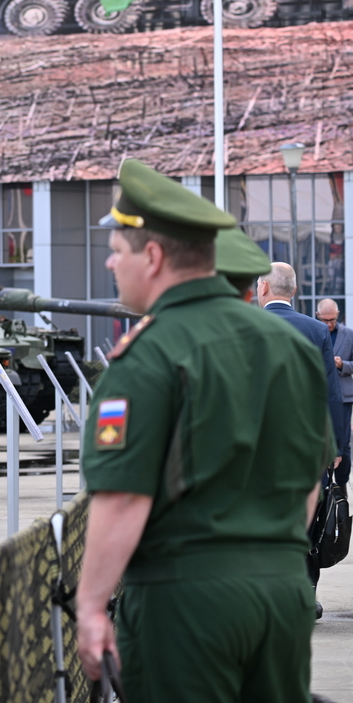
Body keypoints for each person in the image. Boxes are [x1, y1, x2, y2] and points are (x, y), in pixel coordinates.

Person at [76, 159, 333, 702]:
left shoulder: (148, 356)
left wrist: (92, 606)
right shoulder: (291, 347)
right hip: (283, 596)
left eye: (118, 252)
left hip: (185, 603)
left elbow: (122, 499)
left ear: (152, 256)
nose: (109, 262)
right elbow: (310, 481)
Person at [258, 266, 347, 477]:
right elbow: (331, 391)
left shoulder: (244, 326)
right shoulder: (318, 330)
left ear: (264, 287)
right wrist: (335, 445)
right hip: (307, 441)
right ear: (295, 290)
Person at [317, 297, 353, 489]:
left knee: (344, 444)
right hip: (320, 396)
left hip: (344, 397)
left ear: (338, 315)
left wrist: (342, 365)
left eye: (332, 320)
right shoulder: (314, 331)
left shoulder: (349, 334)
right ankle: (323, 484)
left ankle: (341, 485)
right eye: (325, 320)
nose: (329, 324)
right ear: (317, 316)